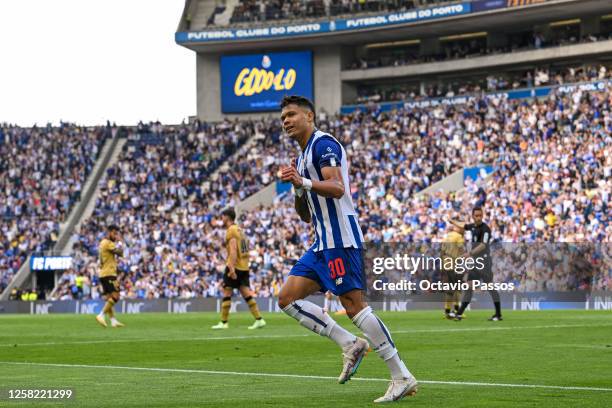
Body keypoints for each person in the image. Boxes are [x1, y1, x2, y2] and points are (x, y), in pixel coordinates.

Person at [278, 95, 417, 403]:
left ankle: (401, 376)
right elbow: (305, 214)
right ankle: (350, 343)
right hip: (321, 242)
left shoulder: (323, 145)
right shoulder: (301, 157)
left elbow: (337, 188)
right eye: (283, 117)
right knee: (287, 298)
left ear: (310, 116)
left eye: (292, 115)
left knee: (354, 305)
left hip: (340, 237)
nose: (286, 120)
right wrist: (297, 185)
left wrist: (305, 181)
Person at [212, 208, 266, 330]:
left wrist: (231, 268)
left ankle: (224, 322)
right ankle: (259, 319)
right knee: (246, 293)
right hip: (244, 266)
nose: (222, 218)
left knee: (227, 291)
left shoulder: (231, 230)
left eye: (223, 216)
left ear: (227, 217)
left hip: (235, 266)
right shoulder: (240, 230)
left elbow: (233, 250)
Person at [449, 207, 502, 321]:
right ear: (473, 216)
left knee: (490, 287)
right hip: (475, 261)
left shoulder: (486, 229)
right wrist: (452, 221)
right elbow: (463, 226)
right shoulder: (472, 226)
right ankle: (459, 314)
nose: (478, 218)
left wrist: (470, 253)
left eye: (480, 215)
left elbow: (483, 245)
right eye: (476, 216)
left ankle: (498, 314)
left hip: (484, 261)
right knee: (469, 286)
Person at [96, 225, 125, 328]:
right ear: (109, 232)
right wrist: (120, 243)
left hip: (103, 273)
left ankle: (113, 321)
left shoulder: (102, 243)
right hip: (109, 274)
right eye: (114, 233)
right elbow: (120, 253)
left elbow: (100, 258)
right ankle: (101, 315)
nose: (115, 236)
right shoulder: (108, 243)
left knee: (109, 298)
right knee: (116, 297)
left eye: (116, 233)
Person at [440, 224, 464, 319]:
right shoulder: (458, 236)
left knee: (449, 290)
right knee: (457, 289)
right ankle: (457, 310)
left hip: (446, 265)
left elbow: (442, 252)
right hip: (454, 266)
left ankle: (447, 311)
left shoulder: (446, 237)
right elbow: (461, 249)